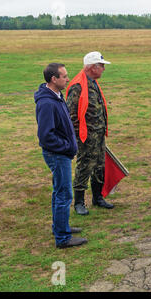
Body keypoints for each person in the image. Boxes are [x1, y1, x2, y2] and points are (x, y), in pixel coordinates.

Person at [35, 63, 88, 249]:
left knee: (59, 191)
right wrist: (67, 147)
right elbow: (46, 135)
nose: (68, 79)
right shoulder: (47, 103)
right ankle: (63, 238)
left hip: (61, 153)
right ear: (53, 79)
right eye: (64, 76)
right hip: (58, 155)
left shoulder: (56, 97)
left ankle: (60, 226)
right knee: (64, 194)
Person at [66, 51, 114, 215]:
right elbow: (71, 116)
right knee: (85, 167)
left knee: (99, 166)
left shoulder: (92, 82)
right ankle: (79, 202)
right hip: (86, 137)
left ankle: (97, 198)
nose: (103, 69)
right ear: (92, 67)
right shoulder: (78, 86)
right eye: (101, 66)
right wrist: (79, 137)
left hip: (98, 135)